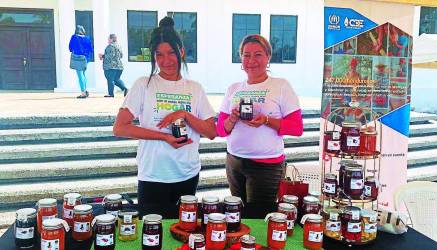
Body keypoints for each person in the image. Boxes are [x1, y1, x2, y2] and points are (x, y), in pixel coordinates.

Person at [113, 17, 216, 209]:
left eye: (171, 53)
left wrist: (184, 114)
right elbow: (120, 128)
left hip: (187, 174)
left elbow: (211, 132)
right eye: (159, 55)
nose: (165, 60)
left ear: (182, 52)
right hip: (153, 174)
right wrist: (164, 137)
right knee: (152, 233)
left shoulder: (194, 88)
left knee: (182, 231)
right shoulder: (144, 84)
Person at [217, 34, 304, 203]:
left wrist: (266, 120)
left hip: (266, 165)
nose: (251, 60)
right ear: (240, 58)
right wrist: (232, 119)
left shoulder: (280, 86)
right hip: (234, 162)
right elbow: (220, 129)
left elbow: (297, 128)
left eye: (258, 54)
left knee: (258, 216)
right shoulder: (234, 88)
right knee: (238, 212)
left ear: (268, 57)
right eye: (246, 55)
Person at [69, 25, 93, 98]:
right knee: (83, 74)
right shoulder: (87, 38)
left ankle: (83, 93)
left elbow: (70, 48)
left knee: (80, 75)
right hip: (86, 58)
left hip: (77, 58)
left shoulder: (74, 37)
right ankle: (85, 90)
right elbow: (91, 49)